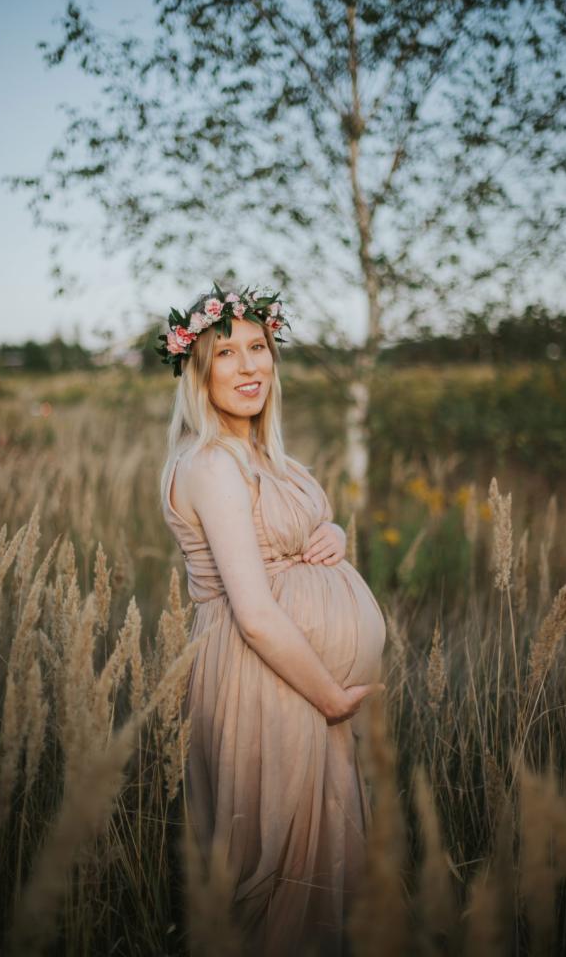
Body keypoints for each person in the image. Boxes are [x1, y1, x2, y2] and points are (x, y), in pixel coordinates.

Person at [157, 284, 386, 957]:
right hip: (267, 686)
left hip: (306, 689)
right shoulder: (210, 464)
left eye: (259, 348)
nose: (249, 366)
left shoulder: (271, 458)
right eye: (227, 352)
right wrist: (332, 696)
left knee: (321, 878)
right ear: (197, 369)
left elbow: (303, 529)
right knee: (277, 886)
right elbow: (254, 614)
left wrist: (335, 534)